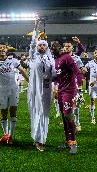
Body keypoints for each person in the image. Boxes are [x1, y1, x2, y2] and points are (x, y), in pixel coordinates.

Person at [0, 43, 29, 145]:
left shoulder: (13, 60)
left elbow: (22, 71)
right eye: (0, 48)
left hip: (13, 89)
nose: (2, 49)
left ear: (6, 50)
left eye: (4, 48)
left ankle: (10, 136)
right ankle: (5, 134)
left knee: (13, 111)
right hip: (2, 90)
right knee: (3, 112)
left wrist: (29, 81)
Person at [28, 20, 55, 151]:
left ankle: (41, 139)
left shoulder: (51, 59)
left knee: (44, 114)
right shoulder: (33, 56)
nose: (42, 47)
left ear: (47, 47)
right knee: (35, 112)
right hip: (34, 90)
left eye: (44, 45)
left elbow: (54, 74)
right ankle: (37, 138)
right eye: (40, 45)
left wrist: (55, 87)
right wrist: (36, 28)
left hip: (46, 90)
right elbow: (33, 44)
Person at [55, 40, 80, 154]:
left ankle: (74, 142)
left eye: (56, 46)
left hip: (69, 91)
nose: (54, 48)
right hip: (61, 91)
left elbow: (77, 71)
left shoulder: (67, 58)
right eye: (53, 46)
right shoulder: (56, 60)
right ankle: (68, 140)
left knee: (67, 116)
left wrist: (79, 88)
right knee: (64, 118)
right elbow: (57, 77)